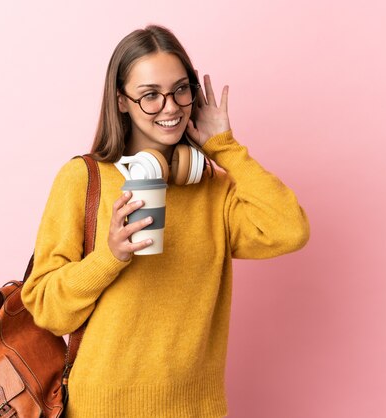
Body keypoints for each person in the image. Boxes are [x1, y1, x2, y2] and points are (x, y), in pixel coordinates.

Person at [21, 24, 310, 417]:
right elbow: (48, 312)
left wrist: (224, 148)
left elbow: (289, 230)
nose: (171, 107)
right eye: (150, 96)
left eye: (180, 89)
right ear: (121, 101)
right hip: (99, 409)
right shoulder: (83, 180)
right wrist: (110, 257)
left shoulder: (213, 189)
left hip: (194, 410)